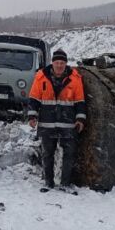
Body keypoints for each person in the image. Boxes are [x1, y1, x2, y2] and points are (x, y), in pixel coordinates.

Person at [27, 49, 86, 191]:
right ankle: (48, 182)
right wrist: (32, 116)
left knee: (69, 154)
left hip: (68, 123)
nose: (59, 65)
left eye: (62, 63)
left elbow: (80, 101)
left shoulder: (75, 78)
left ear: (66, 64)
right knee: (47, 154)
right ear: (52, 63)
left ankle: (65, 184)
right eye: (57, 62)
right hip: (47, 123)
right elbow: (34, 98)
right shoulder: (41, 77)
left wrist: (80, 119)